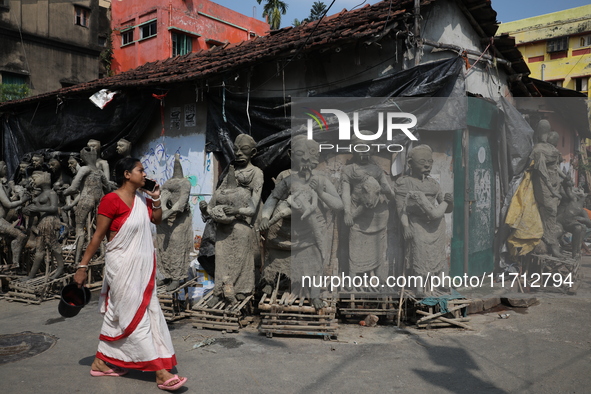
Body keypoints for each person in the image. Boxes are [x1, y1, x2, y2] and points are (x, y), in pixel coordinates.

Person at [73, 157, 187, 391]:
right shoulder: (110, 200)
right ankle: (160, 372)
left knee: (123, 314)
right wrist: (82, 267)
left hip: (143, 269)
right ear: (127, 174)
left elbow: (156, 220)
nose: (144, 175)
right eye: (140, 170)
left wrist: (156, 198)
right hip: (122, 267)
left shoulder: (142, 199)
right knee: (134, 316)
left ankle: (100, 362)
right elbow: (97, 237)